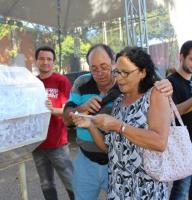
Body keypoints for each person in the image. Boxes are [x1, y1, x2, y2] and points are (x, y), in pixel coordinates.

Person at [63, 44, 173, 200]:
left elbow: (160, 142)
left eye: (125, 73)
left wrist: (118, 126)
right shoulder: (120, 100)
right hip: (118, 182)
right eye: (117, 72)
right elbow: (110, 148)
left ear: (142, 72)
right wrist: (90, 124)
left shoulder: (154, 94)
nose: (119, 77)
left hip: (144, 184)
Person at [32, 46, 74, 200]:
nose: (45, 62)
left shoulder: (61, 80)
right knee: (46, 184)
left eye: (49, 59)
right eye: (42, 58)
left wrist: (51, 109)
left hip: (58, 143)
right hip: (37, 144)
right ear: (36, 61)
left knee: (71, 182)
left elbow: (68, 110)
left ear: (53, 62)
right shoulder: (32, 83)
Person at [168, 40, 192, 200]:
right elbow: (170, 113)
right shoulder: (170, 82)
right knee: (181, 188)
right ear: (181, 57)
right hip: (183, 144)